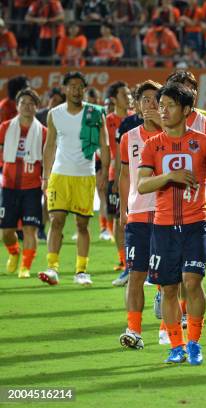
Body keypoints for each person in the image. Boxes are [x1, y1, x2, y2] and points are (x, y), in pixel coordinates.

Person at [137, 82, 206, 364]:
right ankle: (175, 346)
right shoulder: (153, 145)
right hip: (163, 227)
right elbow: (142, 186)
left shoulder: (203, 143)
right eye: (160, 105)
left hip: (194, 225)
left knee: (192, 282)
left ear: (187, 110)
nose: (162, 111)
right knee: (168, 288)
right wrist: (169, 177)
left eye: (169, 106)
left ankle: (194, 342)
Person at [39, 71, 110, 286]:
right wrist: (45, 176)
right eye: (72, 86)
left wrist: (104, 173)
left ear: (85, 90)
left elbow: (105, 145)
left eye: (81, 86)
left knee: (81, 224)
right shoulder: (55, 114)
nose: (77, 90)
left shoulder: (95, 114)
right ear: (65, 89)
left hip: (85, 176)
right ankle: (52, 268)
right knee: (57, 220)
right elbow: (50, 145)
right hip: (60, 175)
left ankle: (81, 271)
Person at [117, 80, 163, 349]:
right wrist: (124, 208)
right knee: (136, 274)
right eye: (145, 99)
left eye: (156, 99)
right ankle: (133, 330)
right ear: (136, 105)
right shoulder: (128, 138)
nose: (151, 104)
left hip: (166, 213)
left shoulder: (172, 136)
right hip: (137, 214)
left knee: (168, 277)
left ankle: (167, 329)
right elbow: (124, 175)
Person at [0, 89, 47, 278]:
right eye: (23, 103)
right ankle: (13, 252)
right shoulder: (4, 128)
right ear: (17, 106)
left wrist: (46, 181)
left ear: (36, 107)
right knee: (6, 232)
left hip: (32, 188)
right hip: (9, 186)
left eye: (31, 103)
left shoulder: (44, 133)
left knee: (30, 229)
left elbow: (48, 159)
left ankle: (25, 267)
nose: (27, 106)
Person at [104, 81, 134, 284]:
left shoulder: (138, 118)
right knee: (118, 219)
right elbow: (105, 149)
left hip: (139, 176)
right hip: (117, 175)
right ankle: (124, 262)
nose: (129, 97)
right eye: (125, 94)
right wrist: (107, 174)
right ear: (114, 98)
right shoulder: (108, 121)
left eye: (130, 93)